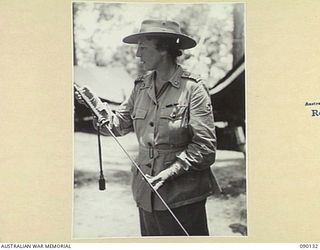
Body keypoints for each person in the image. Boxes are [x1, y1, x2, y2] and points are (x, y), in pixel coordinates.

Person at [75, 19, 221, 236]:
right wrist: (94, 105)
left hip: (182, 195)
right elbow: (116, 127)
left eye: (143, 48)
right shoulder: (141, 86)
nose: (137, 55)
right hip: (146, 192)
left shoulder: (194, 89)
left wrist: (171, 172)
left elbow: (205, 148)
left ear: (164, 49)